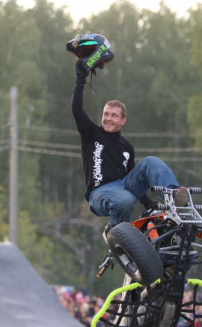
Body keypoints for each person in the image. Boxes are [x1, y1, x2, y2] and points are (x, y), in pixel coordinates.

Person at [68, 33, 189, 237]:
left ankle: (174, 195)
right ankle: (114, 233)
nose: (108, 118)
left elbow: (135, 177)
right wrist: (80, 79)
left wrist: (149, 203)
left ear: (123, 120)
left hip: (124, 187)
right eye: (106, 114)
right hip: (100, 192)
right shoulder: (91, 133)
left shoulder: (126, 147)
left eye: (114, 115)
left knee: (150, 162)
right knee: (125, 199)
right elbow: (76, 109)